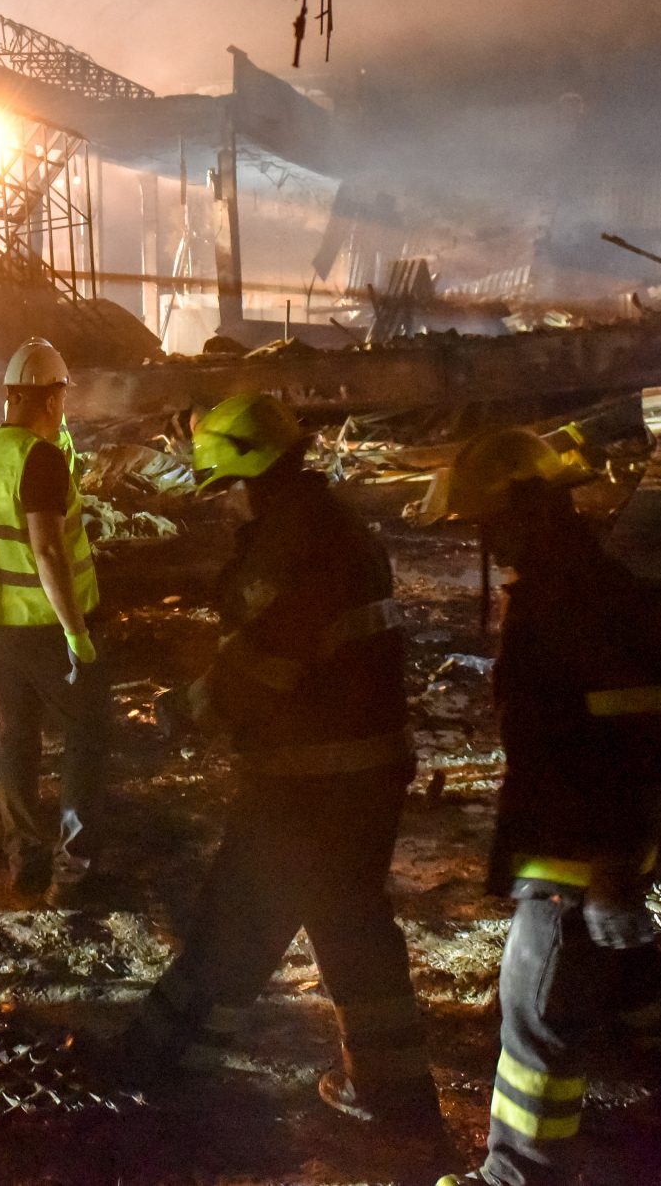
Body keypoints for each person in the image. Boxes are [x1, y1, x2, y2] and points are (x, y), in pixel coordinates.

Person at [124, 393, 449, 1155]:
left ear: (250, 475)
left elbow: (265, 664)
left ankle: (166, 1063)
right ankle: (393, 1092)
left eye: (221, 486)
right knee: (353, 926)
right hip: (367, 769)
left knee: (237, 918)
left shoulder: (291, 543)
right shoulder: (337, 523)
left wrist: (182, 712)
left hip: (307, 778)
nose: (222, 504)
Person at [432, 427, 661, 1186]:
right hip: (583, 843)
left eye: (489, 520)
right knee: (629, 977)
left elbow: (629, 740)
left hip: (575, 855)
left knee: (537, 1013)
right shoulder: (569, 582)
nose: (487, 538)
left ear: (528, 506)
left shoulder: (578, 597)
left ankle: (518, 1174)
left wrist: (608, 867)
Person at [0, 337, 107, 901]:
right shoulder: (39, 456)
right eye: (62, 398)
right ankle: (73, 871)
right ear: (50, 400)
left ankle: (24, 859)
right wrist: (77, 633)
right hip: (47, 625)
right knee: (87, 732)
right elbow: (47, 551)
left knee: (18, 737)